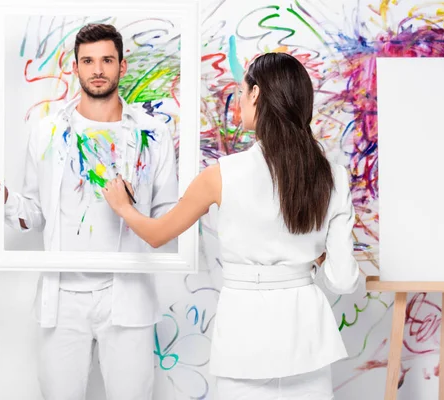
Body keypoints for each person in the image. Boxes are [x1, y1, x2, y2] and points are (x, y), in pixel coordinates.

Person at [102, 52, 360, 399]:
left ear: (256, 94)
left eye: (241, 92)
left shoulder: (221, 175)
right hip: (308, 338)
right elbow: (343, 280)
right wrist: (316, 254)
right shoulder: (333, 176)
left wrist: (123, 207)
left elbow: (156, 233)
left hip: (245, 339)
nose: (238, 101)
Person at [0, 23, 178, 400]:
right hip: (62, 296)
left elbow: (170, 221)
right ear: (76, 67)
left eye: (106, 60)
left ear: (122, 65)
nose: (97, 69)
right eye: (88, 61)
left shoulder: (153, 135)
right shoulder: (48, 132)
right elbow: (35, 212)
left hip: (128, 293)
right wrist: (2, 198)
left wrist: (134, 212)